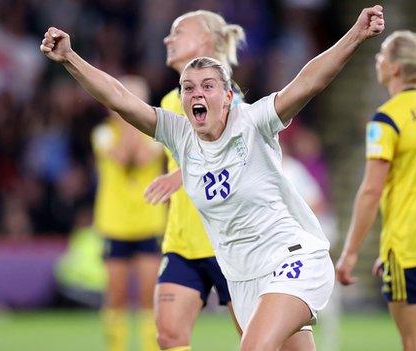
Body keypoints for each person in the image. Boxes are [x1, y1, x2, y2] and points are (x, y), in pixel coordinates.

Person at [40, 5, 384, 350]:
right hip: (241, 276)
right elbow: (119, 98)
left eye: (208, 86)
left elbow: (309, 81)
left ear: (228, 96)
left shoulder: (254, 122)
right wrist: (70, 58)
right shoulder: (180, 134)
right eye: (188, 89)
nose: (197, 94)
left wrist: (355, 34)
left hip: (290, 256)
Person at [335, 30, 416, 351]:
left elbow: (371, 191)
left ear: (395, 68)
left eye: (382, 54)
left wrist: (350, 252)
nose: (377, 60)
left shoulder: (388, 118)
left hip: (411, 244)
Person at [142, 10, 245, 351]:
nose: (167, 39)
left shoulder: (228, 96)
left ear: (205, 41)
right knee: (169, 335)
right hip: (184, 240)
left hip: (230, 241)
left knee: (257, 338)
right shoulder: (172, 101)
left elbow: (239, 155)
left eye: (177, 33)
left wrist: (180, 174)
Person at [91, 75, 166, 351]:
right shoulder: (102, 134)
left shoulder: (158, 133)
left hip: (148, 222)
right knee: (116, 296)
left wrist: (132, 118)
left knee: (149, 296)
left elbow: (141, 157)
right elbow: (123, 157)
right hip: (115, 224)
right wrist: (128, 119)